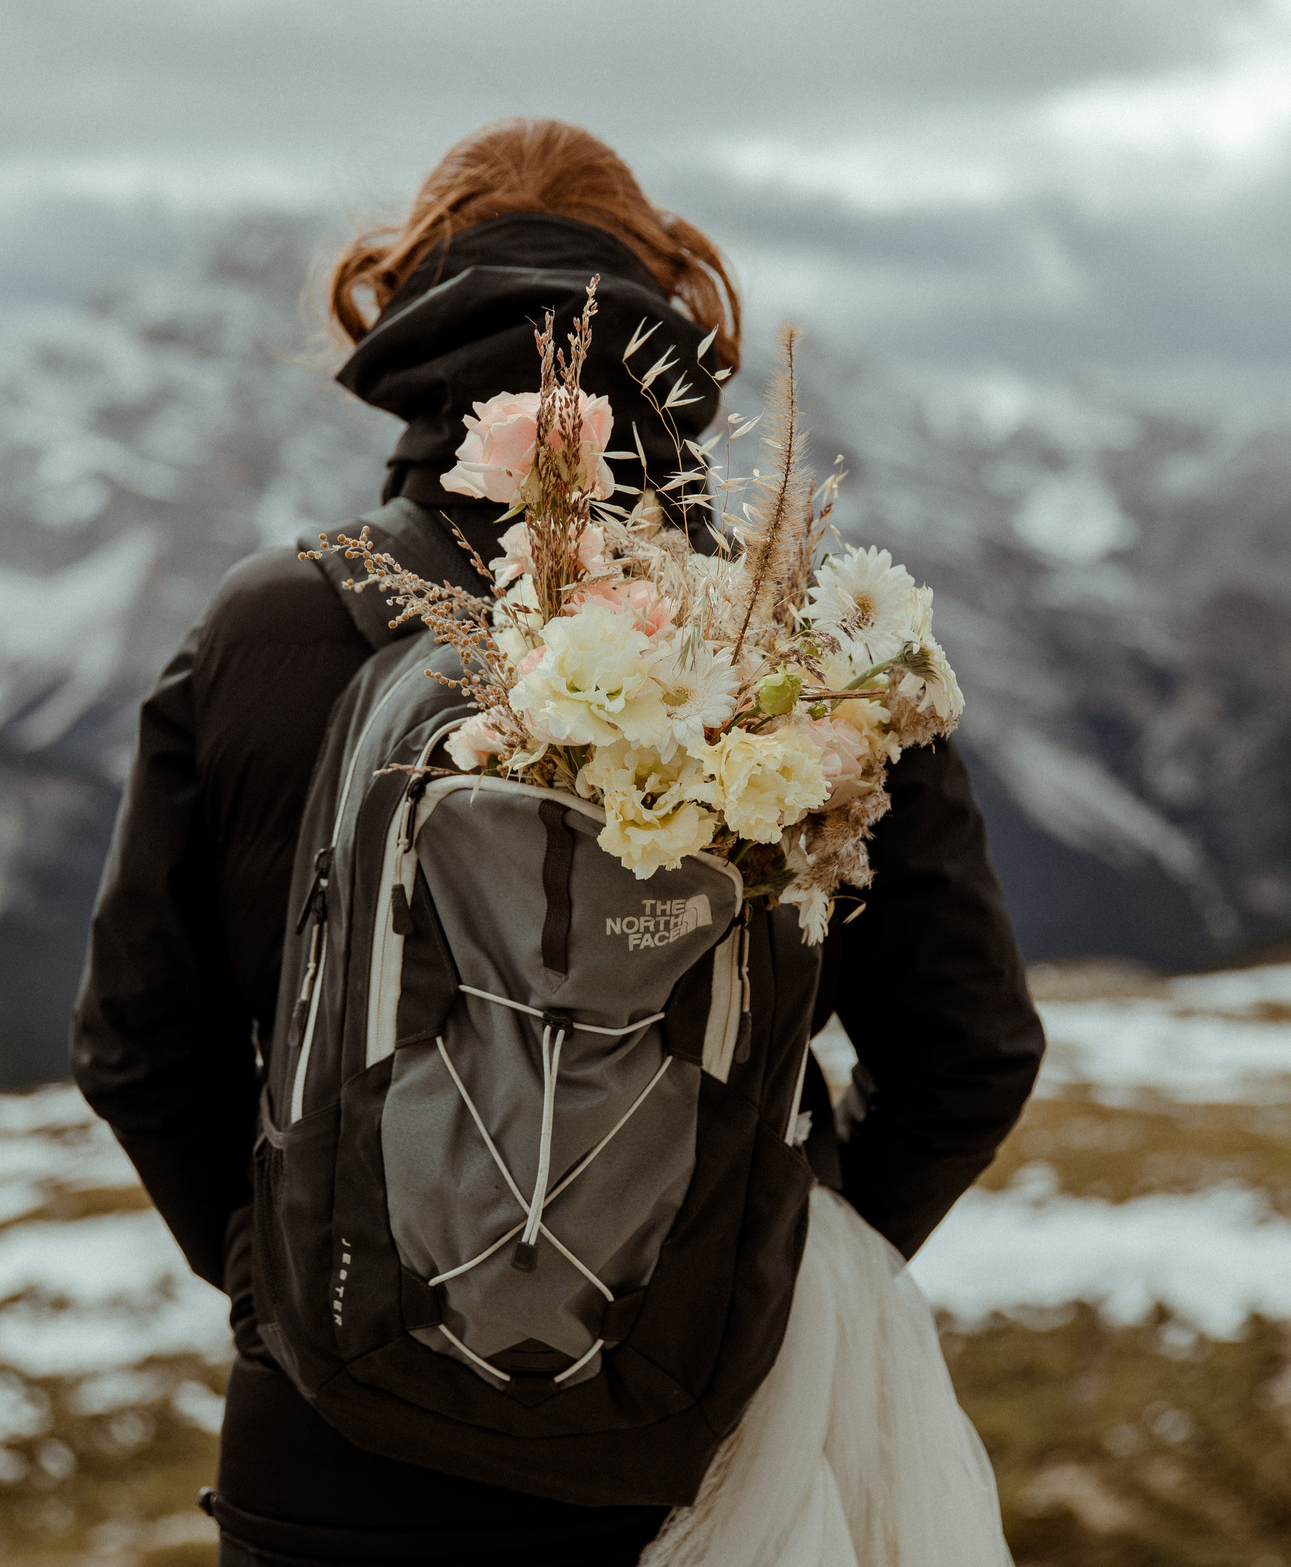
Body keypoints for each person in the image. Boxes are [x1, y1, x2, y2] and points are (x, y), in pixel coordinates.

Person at [73, 118, 1042, 1567]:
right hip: (696, 1432)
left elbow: (139, 1044)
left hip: (331, 1446)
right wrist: (743, 1260)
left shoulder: (258, 632)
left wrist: (276, 1275)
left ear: (398, 323)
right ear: (674, 319)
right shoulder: (797, 663)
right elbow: (971, 1052)